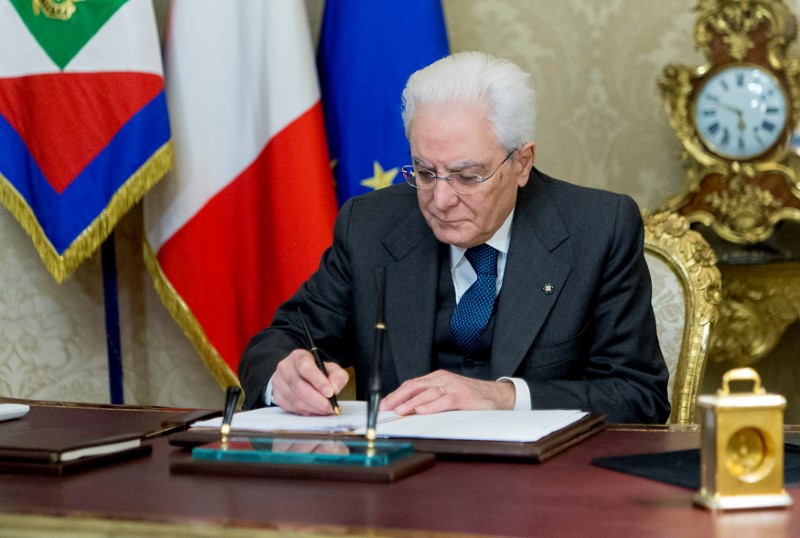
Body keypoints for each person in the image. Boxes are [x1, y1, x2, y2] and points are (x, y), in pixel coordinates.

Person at [239, 51, 670, 424]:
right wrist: (285, 376)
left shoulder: (598, 229)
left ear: (522, 163)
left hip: (542, 496)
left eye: (468, 176)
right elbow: (279, 342)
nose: (440, 199)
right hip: (401, 490)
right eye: (424, 172)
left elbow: (639, 396)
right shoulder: (370, 225)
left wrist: (504, 397)